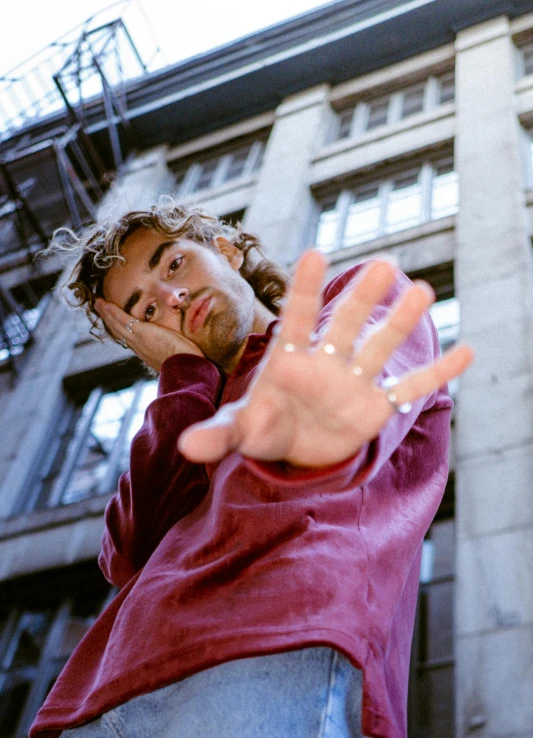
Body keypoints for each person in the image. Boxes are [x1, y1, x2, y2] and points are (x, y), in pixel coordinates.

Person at [30, 202, 472, 738]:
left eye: (173, 265)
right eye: (145, 312)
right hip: (102, 696)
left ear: (227, 250)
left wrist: (311, 428)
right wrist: (183, 375)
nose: (172, 298)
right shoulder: (187, 410)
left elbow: (347, 391)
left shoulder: (347, 311)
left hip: (270, 649)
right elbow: (126, 553)